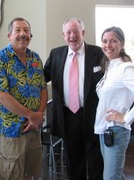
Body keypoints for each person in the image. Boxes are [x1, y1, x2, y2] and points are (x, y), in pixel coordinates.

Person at [0, 17, 48, 180]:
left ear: (31, 35)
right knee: (11, 174)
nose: (23, 34)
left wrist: (39, 115)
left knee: (32, 172)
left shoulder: (35, 59)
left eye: (26, 31)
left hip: (34, 128)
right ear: (9, 35)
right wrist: (31, 115)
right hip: (12, 131)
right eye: (18, 30)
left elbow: (43, 88)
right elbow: (1, 96)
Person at [44, 17, 104, 180]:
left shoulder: (97, 53)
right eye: (68, 32)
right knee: (73, 158)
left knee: (95, 157)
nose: (72, 36)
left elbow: (110, 79)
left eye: (76, 31)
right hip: (67, 114)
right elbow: (42, 77)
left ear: (83, 33)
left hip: (92, 113)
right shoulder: (56, 54)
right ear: (63, 35)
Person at [94, 26, 134, 179]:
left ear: (121, 44)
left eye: (113, 41)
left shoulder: (126, 68)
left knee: (111, 177)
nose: (108, 45)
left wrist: (125, 117)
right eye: (105, 41)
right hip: (104, 129)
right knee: (114, 175)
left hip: (116, 131)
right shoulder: (110, 67)